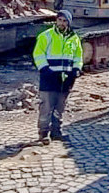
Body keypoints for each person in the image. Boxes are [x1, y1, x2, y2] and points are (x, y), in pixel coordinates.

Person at [32, 10, 83, 145]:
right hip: (49, 78)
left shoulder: (74, 38)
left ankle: (56, 132)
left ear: (69, 23)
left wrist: (76, 69)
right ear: (56, 21)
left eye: (65, 21)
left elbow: (78, 56)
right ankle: (43, 133)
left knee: (60, 107)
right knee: (46, 107)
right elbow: (38, 54)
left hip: (65, 80)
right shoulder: (46, 36)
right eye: (60, 20)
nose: (62, 23)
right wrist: (45, 69)